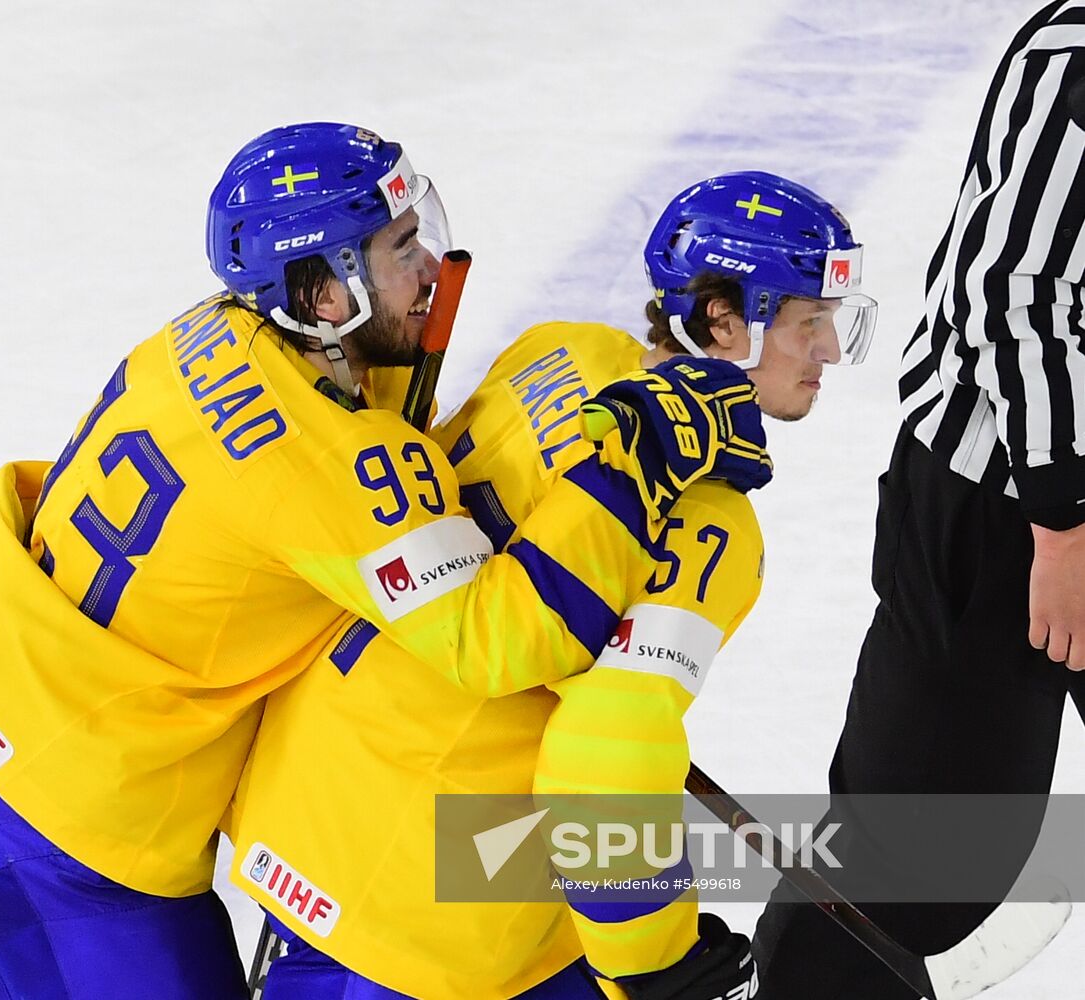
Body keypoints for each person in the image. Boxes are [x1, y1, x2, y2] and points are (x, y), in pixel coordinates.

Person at [0, 123, 755, 999]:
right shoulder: (326, 458)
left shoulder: (222, 329)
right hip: (54, 801)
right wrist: (637, 461)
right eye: (401, 248)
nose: (429, 269)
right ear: (320, 290)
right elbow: (497, 643)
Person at [225, 171, 876, 1000]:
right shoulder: (712, 521)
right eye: (808, 321)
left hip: (304, 809)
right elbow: (603, 757)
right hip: (437, 903)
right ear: (723, 321)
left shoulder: (555, 350)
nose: (826, 352)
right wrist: (654, 962)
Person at [753, 3, 1085, 997]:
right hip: (1005, 513)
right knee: (923, 864)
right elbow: (1015, 296)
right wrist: (1061, 528)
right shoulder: (1076, 62)